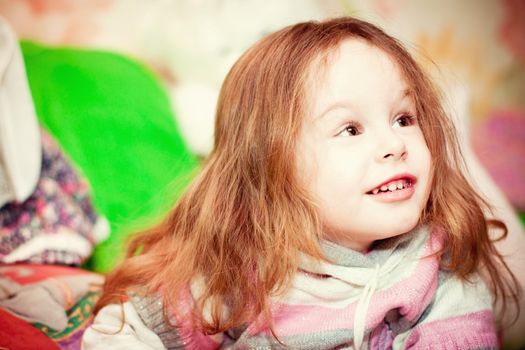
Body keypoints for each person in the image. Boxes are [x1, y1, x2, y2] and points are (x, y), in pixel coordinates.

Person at [82, 17, 520, 349]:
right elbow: (127, 332)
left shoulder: (438, 276)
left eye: (404, 119)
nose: (394, 144)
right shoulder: (237, 268)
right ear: (273, 165)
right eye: (350, 129)